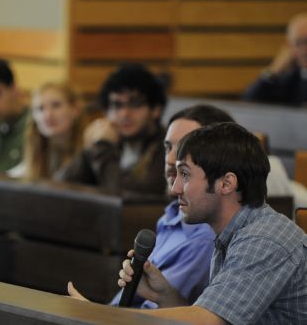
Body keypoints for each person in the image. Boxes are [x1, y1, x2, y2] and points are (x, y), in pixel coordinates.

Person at [114, 123, 307, 324]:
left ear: (226, 183)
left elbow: (208, 322)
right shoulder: (231, 234)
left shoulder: (265, 239)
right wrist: (164, 295)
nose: (175, 188)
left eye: (185, 174)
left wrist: (110, 318)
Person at [69, 104, 234, 309]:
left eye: (185, 148)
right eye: (168, 147)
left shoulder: (205, 236)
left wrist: (92, 316)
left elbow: (155, 317)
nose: (171, 158)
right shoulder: (173, 215)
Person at [61, 63, 166, 195]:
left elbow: (129, 201)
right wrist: (91, 148)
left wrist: (103, 148)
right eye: (117, 105)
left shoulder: (167, 147)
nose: (124, 113)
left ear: (156, 109)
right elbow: (60, 185)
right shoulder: (110, 140)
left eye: (135, 104)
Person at [9, 82, 84, 180]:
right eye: (40, 109)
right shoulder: (36, 150)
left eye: (56, 105)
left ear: (75, 109)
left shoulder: (89, 151)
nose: (47, 115)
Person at [243, 13, 307, 106]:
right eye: (297, 43)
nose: (304, 50)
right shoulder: (291, 79)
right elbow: (250, 101)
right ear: (289, 47)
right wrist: (273, 71)